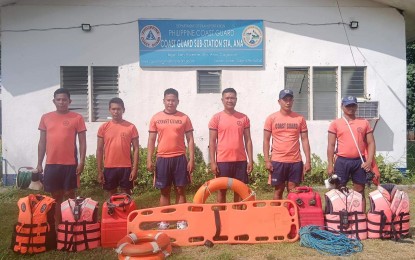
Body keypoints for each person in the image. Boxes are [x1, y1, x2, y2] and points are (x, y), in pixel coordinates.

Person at [36, 88, 87, 224]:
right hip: (52, 164)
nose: (61, 102)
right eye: (58, 99)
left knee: (70, 194)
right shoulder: (46, 118)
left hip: (70, 164)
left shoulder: (77, 118)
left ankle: (72, 224)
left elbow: (82, 142)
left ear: (69, 101)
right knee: (56, 196)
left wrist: (82, 161)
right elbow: (42, 142)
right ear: (54, 101)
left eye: (64, 99)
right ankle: (58, 226)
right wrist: (39, 163)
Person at [146, 88, 195, 208]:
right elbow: (151, 140)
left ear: (178, 101)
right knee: (164, 191)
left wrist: (191, 159)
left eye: (173, 100)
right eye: (168, 100)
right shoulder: (156, 117)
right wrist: (149, 159)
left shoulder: (184, 118)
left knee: (180, 190)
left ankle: (181, 220)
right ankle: (165, 220)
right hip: (162, 159)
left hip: (179, 158)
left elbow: (190, 139)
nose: (170, 103)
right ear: (163, 101)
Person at [327, 96, 376, 210]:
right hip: (341, 161)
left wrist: (369, 161)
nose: (351, 108)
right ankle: (338, 217)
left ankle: (360, 218)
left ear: (356, 106)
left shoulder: (364, 122)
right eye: (348, 105)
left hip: (359, 161)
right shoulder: (335, 123)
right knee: (338, 190)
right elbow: (331, 145)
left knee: (359, 190)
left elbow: (371, 143)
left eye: (353, 105)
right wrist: (330, 164)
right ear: (342, 106)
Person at [263, 89, 311, 200]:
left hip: (295, 161)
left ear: (293, 101)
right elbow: (266, 140)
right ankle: (277, 215)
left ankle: (292, 215)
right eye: (285, 100)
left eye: (290, 100)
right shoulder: (271, 118)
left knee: (293, 190)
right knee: (278, 191)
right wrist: (267, 160)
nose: (288, 102)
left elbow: (305, 140)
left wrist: (308, 161)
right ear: (279, 101)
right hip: (278, 161)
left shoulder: (300, 119)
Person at [209, 88, 253, 203]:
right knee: (221, 191)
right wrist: (213, 162)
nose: (230, 100)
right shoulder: (216, 118)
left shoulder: (244, 118)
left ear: (236, 100)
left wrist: (250, 160)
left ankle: (237, 215)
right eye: (227, 98)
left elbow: (248, 140)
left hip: (240, 160)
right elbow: (212, 142)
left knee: (239, 190)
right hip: (223, 161)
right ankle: (222, 216)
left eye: (232, 98)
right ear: (222, 100)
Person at [96, 97, 139, 196]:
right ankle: (113, 211)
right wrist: (99, 170)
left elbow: (136, 149)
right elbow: (99, 149)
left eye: (119, 109)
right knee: (111, 195)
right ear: (109, 110)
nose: (116, 111)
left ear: (123, 110)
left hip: (126, 167)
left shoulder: (131, 127)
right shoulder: (103, 128)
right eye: (113, 109)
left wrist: (134, 169)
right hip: (109, 167)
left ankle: (127, 211)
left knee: (126, 194)